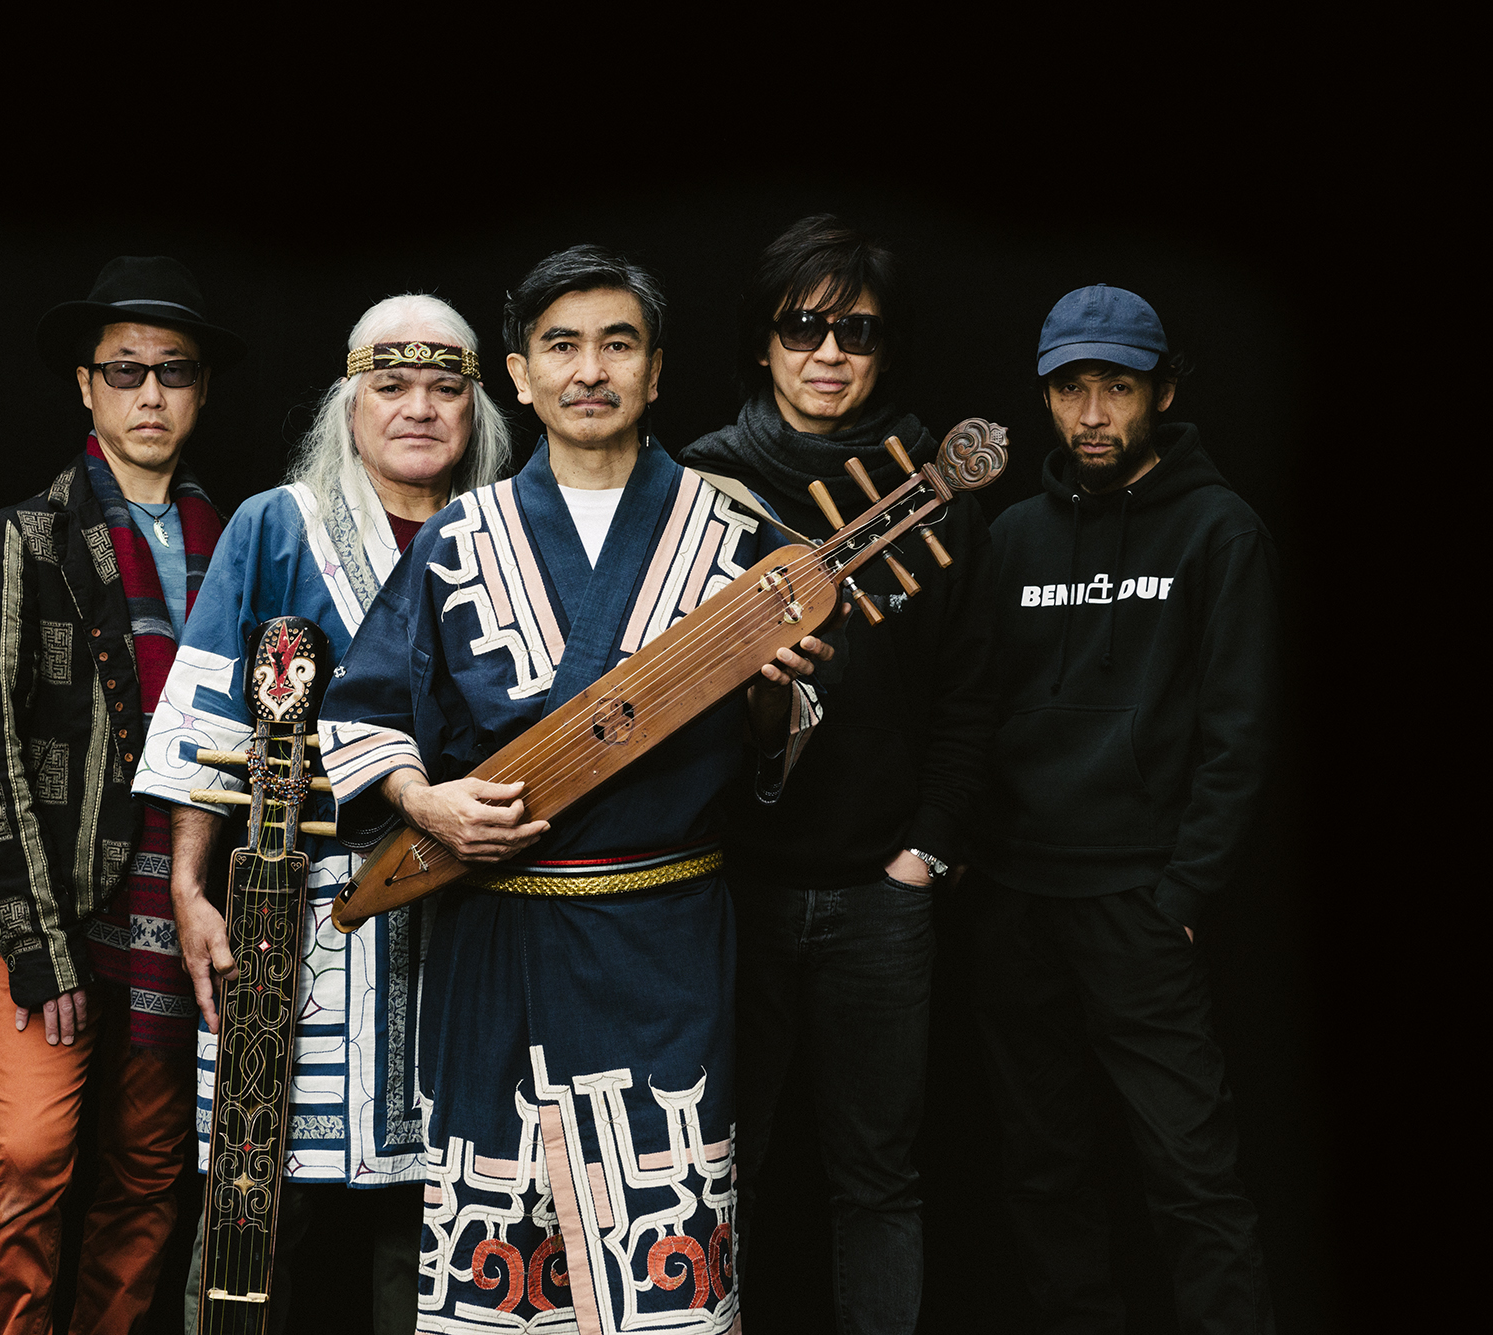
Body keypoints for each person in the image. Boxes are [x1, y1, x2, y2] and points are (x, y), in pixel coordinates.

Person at [319, 246, 830, 1331]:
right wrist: (423, 802)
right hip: (496, 938)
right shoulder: (460, 537)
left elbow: (777, 751)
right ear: (518, 374)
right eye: (561, 346)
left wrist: (768, 695)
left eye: (617, 344)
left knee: (665, 1248)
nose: (589, 370)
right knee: (504, 1262)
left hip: (664, 938)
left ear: (656, 370)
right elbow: (361, 713)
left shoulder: (734, 535)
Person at [137, 293, 513, 1334]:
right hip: (287, 903)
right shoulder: (277, 526)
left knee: (439, 1207)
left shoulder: (506, 533)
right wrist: (188, 887)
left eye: (444, 388)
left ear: (477, 408)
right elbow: (205, 711)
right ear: (350, 407)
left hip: (460, 907)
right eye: (390, 386)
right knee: (255, 1196)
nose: (418, 408)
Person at [677, 214, 985, 1332]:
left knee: (878, 1178)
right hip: (731, 886)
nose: (826, 353)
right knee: (718, 1164)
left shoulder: (937, 488)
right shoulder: (700, 484)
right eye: (802, 325)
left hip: (878, 893)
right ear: (762, 341)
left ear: (884, 351)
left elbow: (970, 694)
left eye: (856, 331)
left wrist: (925, 853)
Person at [970, 285, 1277, 1331]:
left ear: (1163, 391)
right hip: (1017, 900)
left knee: (1190, 1170)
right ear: (1045, 397)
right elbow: (977, 711)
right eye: (1070, 390)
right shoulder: (1012, 535)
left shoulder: (1219, 530)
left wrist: (1183, 892)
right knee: (1041, 1164)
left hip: (1140, 900)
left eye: (1117, 387)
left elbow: (1239, 731)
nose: (1092, 414)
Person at [0, 256, 246, 1335]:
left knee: (150, 1170)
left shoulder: (242, 543)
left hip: (185, 910)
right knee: (30, 1154)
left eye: (174, 370)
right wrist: (35, 942)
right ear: (86, 386)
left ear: (201, 389)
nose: (150, 393)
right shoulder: (25, 535)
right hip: (57, 903)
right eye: (125, 371)